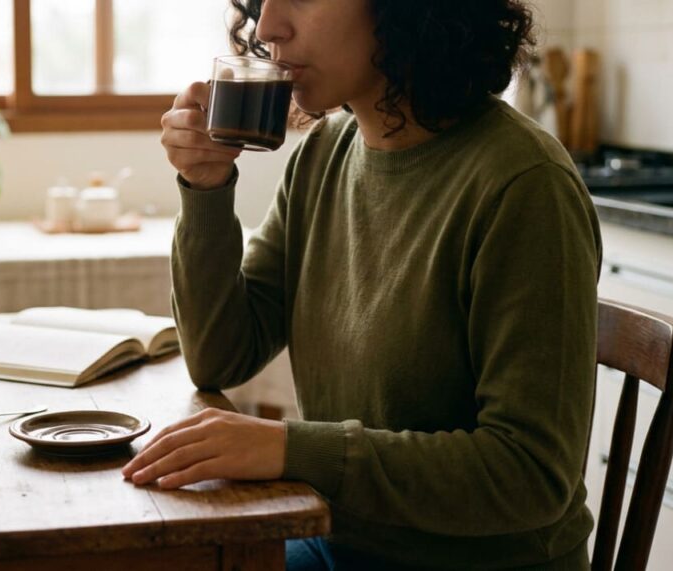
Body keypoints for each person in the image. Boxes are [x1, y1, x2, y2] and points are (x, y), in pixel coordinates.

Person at [121, 0, 602, 569]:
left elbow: (532, 474)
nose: (268, 26)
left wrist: (288, 448)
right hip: (339, 538)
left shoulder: (523, 185)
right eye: (260, 3)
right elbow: (220, 358)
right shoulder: (326, 154)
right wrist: (205, 187)